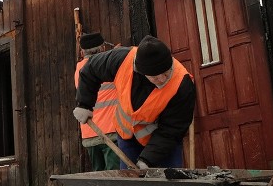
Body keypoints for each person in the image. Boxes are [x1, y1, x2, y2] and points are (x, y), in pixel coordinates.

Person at [73, 35, 196, 170]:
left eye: (166, 73)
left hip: (163, 142)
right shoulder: (121, 59)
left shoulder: (182, 84)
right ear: (141, 72)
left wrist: (147, 160)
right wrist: (84, 105)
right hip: (126, 135)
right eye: (155, 76)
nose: (162, 79)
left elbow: (172, 129)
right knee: (130, 183)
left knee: (168, 182)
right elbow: (90, 70)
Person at [74, 31, 120, 186]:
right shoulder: (107, 66)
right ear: (102, 48)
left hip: (90, 133)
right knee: (112, 184)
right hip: (110, 132)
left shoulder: (79, 69)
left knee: (99, 180)